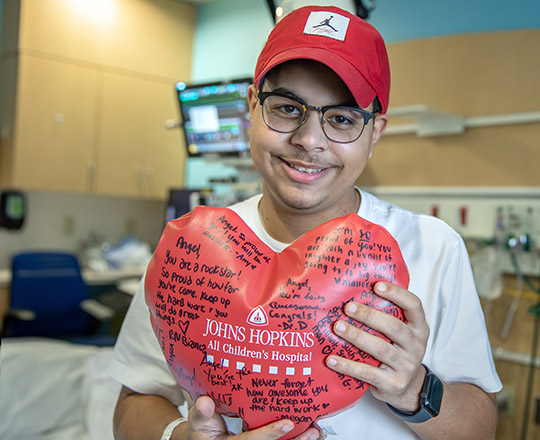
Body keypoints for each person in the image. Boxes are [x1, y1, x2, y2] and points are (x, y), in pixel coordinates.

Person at [110, 5, 501, 440]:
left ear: (375, 133)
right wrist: (180, 437)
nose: (309, 141)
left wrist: (415, 389)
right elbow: (134, 403)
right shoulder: (190, 251)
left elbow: (481, 430)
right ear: (252, 108)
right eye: (286, 108)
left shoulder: (431, 248)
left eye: (342, 119)